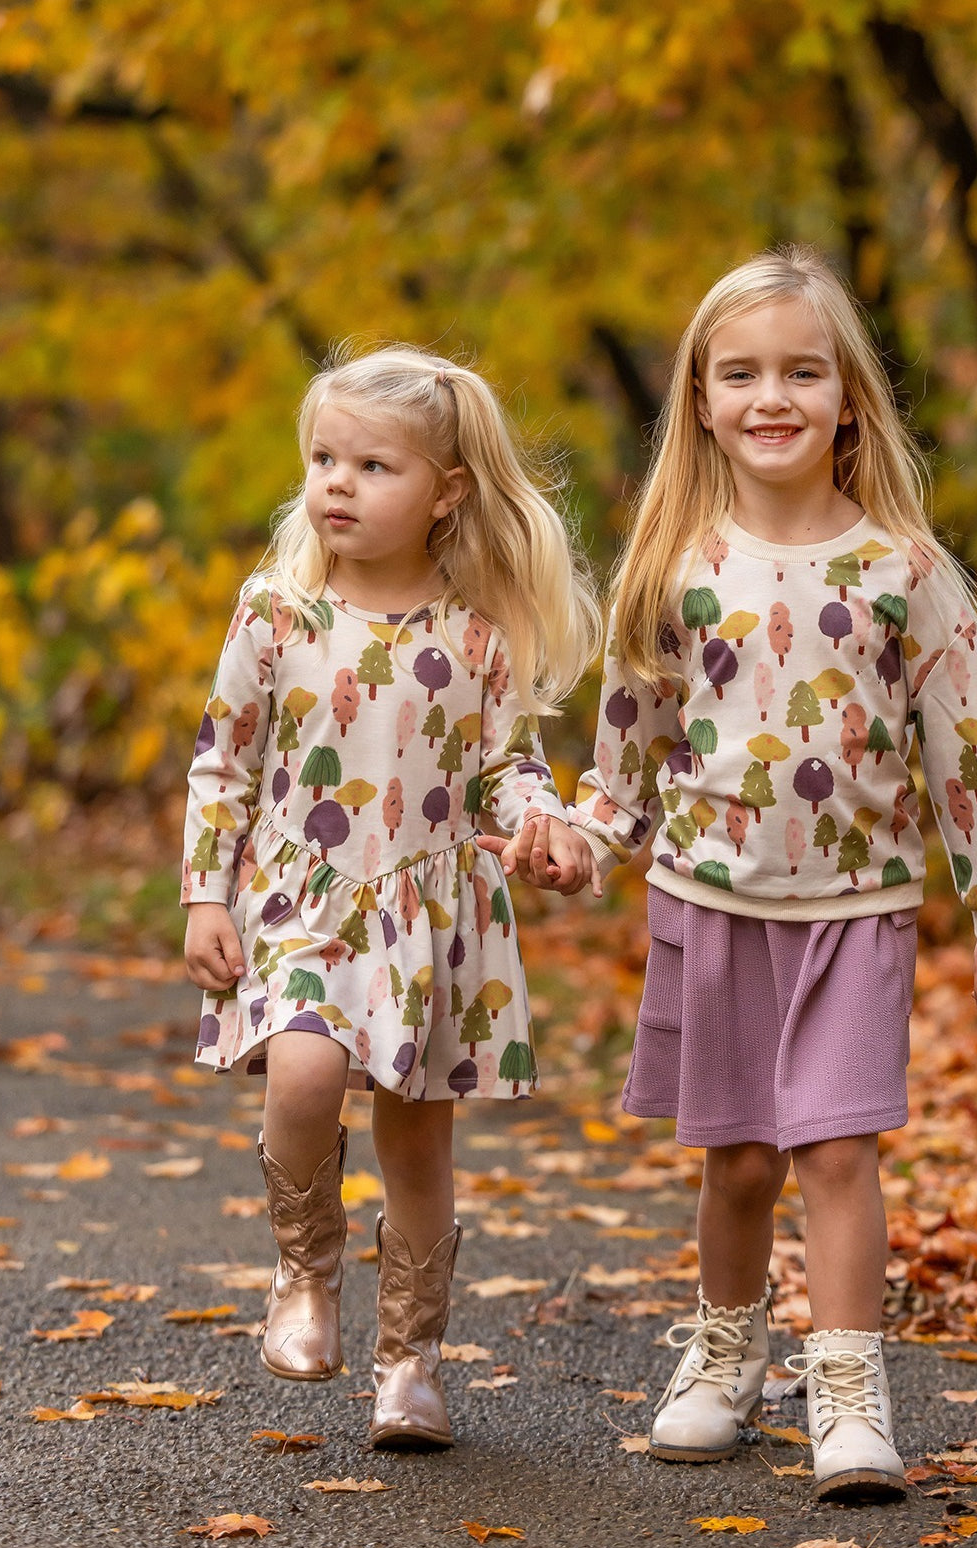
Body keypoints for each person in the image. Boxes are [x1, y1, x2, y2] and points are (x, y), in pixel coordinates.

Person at [497, 247, 977, 1499]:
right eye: (740, 373)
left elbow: (969, 748)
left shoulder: (907, 571)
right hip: (710, 898)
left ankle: (849, 1385)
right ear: (699, 396)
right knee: (737, 1154)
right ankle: (728, 1353)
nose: (770, 395)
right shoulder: (673, 569)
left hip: (858, 906)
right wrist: (580, 838)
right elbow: (631, 755)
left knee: (839, 1148)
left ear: (851, 395)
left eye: (803, 370)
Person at [182, 344, 600, 1451]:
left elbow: (507, 763)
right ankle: (305, 1268)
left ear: (445, 491)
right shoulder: (276, 611)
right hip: (303, 899)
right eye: (324, 457)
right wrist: (203, 894)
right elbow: (221, 759)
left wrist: (539, 823)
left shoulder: (476, 630)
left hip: (431, 910)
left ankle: (411, 1359)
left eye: (373, 463)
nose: (336, 483)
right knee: (307, 1067)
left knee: (418, 1142)